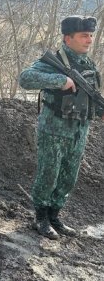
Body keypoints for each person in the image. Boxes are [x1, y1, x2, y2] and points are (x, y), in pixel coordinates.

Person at [19, 15, 104, 240]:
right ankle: (41, 218)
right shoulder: (53, 61)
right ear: (68, 38)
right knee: (48, 174)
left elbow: (91, 96)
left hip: (78, 131)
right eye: (84, 35)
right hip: (53, 130)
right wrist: (60, 81)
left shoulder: (88, 64)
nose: (89, 40)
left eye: (91, 36)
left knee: (68, 177)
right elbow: (25, 78)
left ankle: (55, 216)